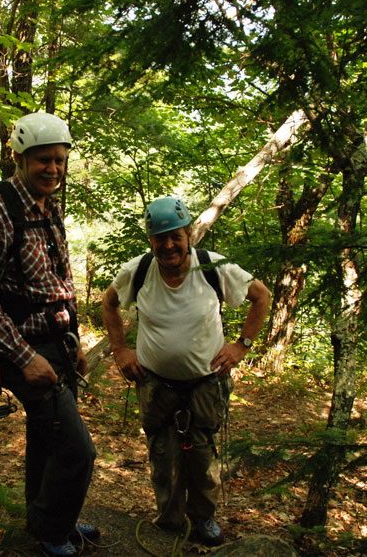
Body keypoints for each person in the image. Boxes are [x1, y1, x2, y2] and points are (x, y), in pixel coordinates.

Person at [0, 111, 98, 557]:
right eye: (43, 160)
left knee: (48, 437)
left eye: (59, 160)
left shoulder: (49, 205)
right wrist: (22, 358)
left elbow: (62, 277)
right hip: (24, 347)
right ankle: (52, 533)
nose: (53, 169)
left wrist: (73, 338)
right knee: (77, 450)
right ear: (18, 157)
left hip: (57, 343)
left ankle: (50, 513)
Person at [101, 197, 271, 546]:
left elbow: (261, 296)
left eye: (175, 236)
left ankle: (204, 518)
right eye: (159, 238)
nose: (168, 245)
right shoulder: (140, 269)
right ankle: (169, 521)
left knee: (203, 453)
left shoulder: (213, 267)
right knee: (162, 454)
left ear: (189, 234)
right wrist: (120, 350)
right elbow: (109, 303)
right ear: (150, 240)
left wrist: (242, 346)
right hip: (155, 383)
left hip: (206, 383)